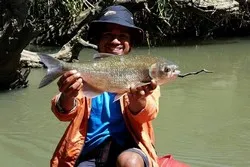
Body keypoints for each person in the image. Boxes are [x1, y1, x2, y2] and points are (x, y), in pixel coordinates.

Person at [50, 5, 185, 167]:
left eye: (123, 36)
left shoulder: (146, 76)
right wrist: (67, 95)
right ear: (98, 41)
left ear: (130, 44)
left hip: (130, 146)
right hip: (87, 149)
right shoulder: (87, 73)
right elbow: (63, 113)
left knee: (131, 162)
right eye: (108, 35)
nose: (115, 41)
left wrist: (138, 102)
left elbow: (148, 114)